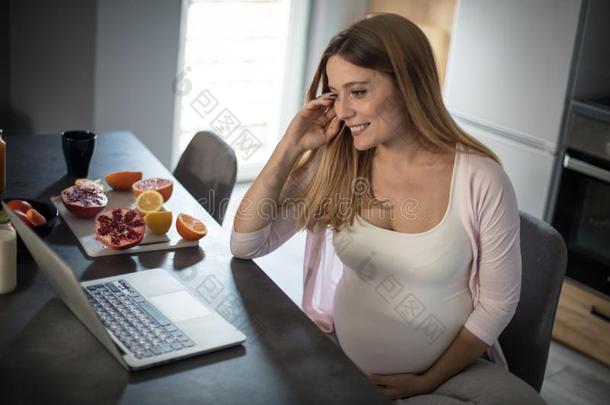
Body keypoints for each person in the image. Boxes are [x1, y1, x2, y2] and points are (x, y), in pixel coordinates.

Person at [230, 13, 545, 404]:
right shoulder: (339, 161)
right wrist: (289, 147)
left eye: (358, 92)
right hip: (342, 362)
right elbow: (247, 243)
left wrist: (426, 381)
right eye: (336, 93)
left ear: (409, 84)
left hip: (445, 376)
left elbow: (497, 303)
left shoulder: (480, 179)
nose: (342, 112)